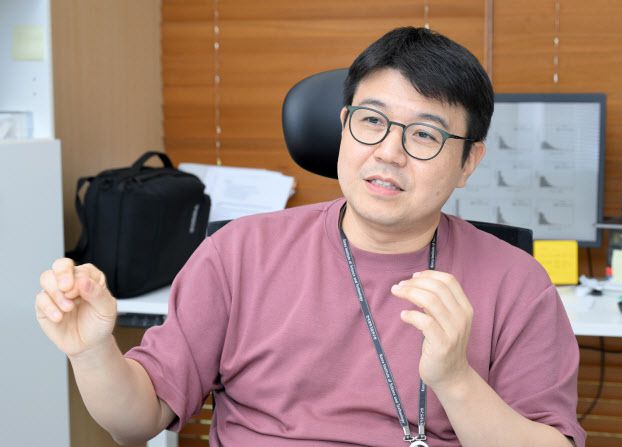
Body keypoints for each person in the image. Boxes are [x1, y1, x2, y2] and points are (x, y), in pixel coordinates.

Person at [35, 27, 585, 447]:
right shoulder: (239, 253)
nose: (388, 152)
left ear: (469, 162)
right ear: (343, 126)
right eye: (372, 121)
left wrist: (456, 380)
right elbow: (136, 421)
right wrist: (92, 351)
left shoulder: (515, 282)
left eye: (424, 134)